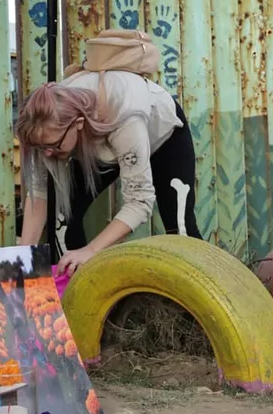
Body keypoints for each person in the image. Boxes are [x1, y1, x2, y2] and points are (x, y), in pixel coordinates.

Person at [15, 28, 202, 276]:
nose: (47, 154)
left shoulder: (126, 118)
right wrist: (22, 261)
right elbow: (40, 197)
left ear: (77, 124)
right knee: (61, 219)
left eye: (52, 146)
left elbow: (140, 202)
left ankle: (199, 303)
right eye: (41, 148)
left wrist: (92, 250)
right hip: (97, 141)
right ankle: (77, 296)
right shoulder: (44, 130)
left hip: (161, 136)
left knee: (180, 229)